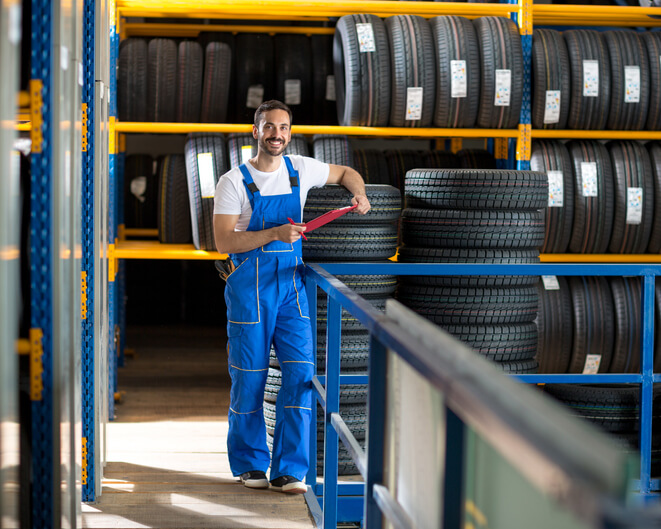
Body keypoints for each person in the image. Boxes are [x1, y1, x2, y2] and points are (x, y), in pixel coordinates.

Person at [213, 100, 370, 494]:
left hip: (291, 288)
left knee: (300, 374)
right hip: (249, 288)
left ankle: (288, 470)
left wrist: (361, 196)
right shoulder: (233, 181)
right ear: (255, 131)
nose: (277, 134)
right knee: (250, 377)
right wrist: (274, 234)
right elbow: (222, 241)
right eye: (269, 127)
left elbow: (347, 173)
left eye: (283, 127)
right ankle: (250, 464)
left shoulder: (301, 168)